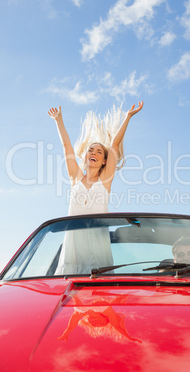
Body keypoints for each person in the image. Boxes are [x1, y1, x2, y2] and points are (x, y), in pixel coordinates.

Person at [48, 102, 143, 274]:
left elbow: (114, 145)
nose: (94, 153)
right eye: (91, 150)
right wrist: (58, 120)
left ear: (105, 161)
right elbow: (66, 146)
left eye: (99, 152)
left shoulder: (105, 181)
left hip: (98, 253)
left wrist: (127, 116)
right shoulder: (75, 178)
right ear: (85, 157)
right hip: (73, 252)